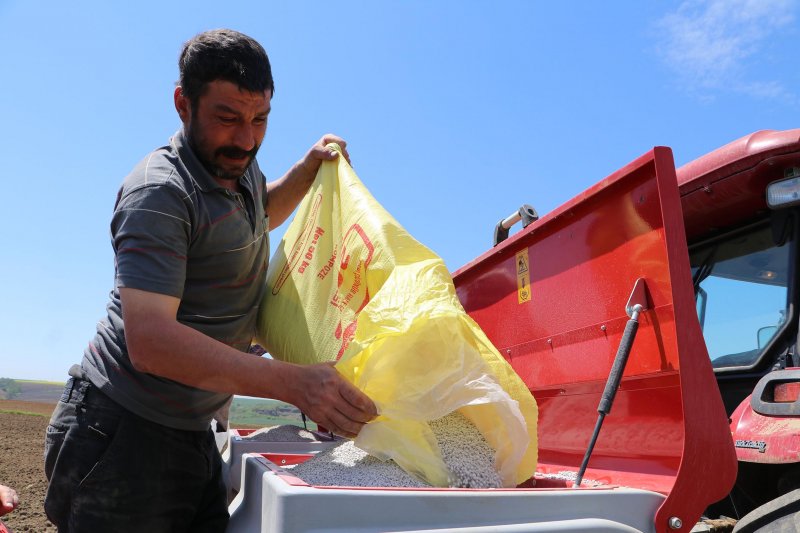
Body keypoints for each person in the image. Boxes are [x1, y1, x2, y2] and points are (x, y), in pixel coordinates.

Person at [44, 29, 377, 532]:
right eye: (227, 118)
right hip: (124, 432)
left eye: (260, 119)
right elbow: (151, 342)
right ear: (184, 103)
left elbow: (256, 217)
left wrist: (305, 172)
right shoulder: (159, 192)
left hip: (192, 428)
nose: (246, 140)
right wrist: (295, 383)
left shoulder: (237, 169)